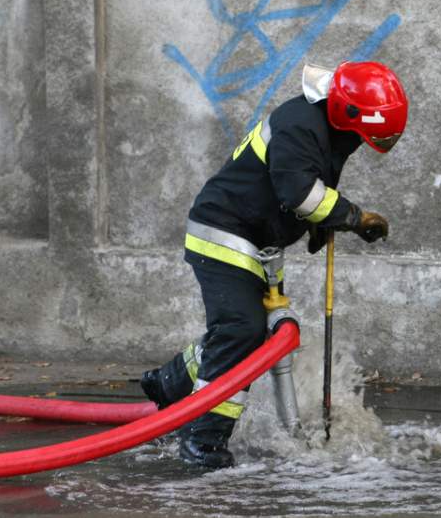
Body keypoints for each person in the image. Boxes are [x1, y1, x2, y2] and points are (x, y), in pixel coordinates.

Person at [138, 61, 408, 468]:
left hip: (254, 240)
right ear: (348, 113)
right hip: (224, 233)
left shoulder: (330, 128)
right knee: (242, 332)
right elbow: (298, 191)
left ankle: (172, 381)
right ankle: (202, 439)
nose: (368, 144)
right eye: (370, 134)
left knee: (248, 333)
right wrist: (352, 217)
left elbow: (301, 187)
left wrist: (318, 223)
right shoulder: (300, 124)